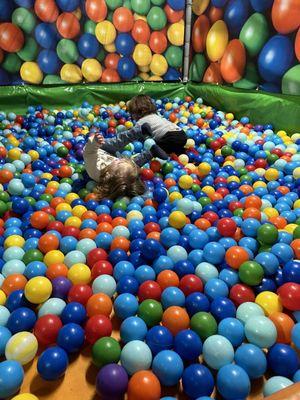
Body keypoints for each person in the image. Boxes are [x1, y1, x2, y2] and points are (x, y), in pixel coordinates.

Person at [83, 124, 168, 200]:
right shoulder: (115, 175)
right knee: (131, 166)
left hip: (97, 149)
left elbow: (88, 151)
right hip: (106, 155)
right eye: (121, 161)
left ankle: (139, 131)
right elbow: (124, 173)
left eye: (120, 162)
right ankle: (151, 152)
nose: (120, 159)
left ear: (111, 173)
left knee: (117, 142)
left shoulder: (95, 166)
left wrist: (94, 140)